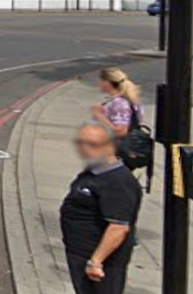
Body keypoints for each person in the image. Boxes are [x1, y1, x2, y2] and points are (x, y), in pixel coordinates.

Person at [60, 119, 142, 294]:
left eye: (93, 144)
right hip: (81, 252)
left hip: (102, 263)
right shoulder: (95, 171)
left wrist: (96, 261)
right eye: (81, 143)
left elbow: (118, 228)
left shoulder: (118, 181)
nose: (85, 149)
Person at [92, 67, 144, 138]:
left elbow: (121, 131)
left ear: (107, 83)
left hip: (119, 146)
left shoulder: (120, 103)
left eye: (101, 80)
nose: (99, 83)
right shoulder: (129, 99)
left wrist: (99, 115)